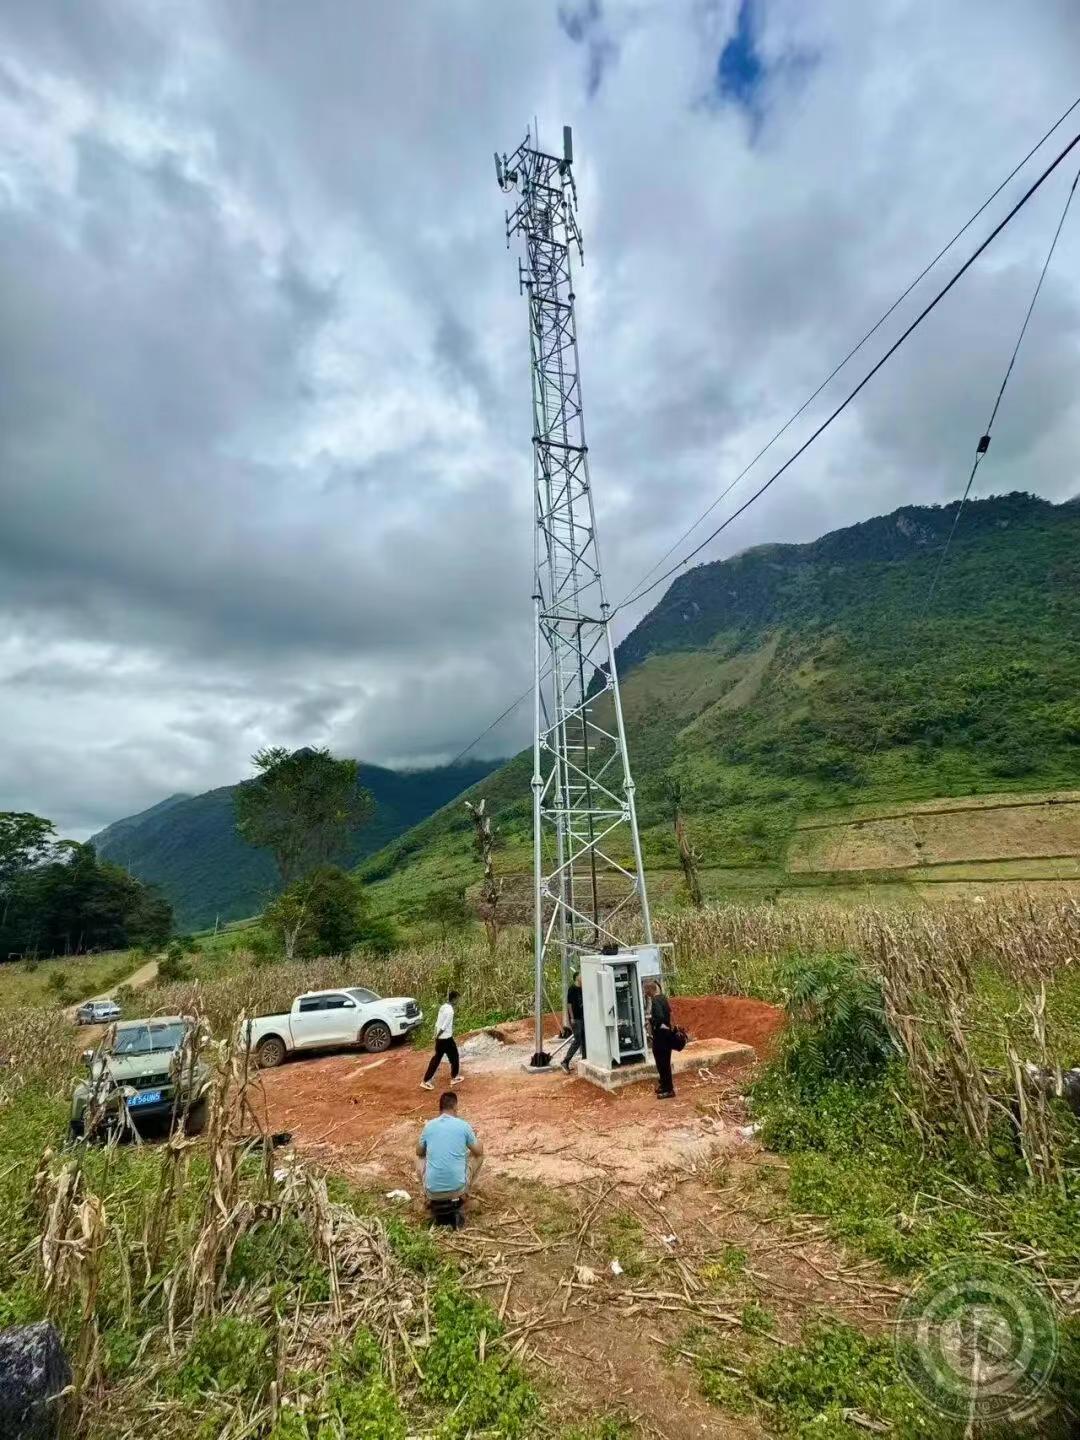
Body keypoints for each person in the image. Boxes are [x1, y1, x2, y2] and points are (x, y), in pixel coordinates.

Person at [416, 1091, 484, 1211]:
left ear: (440, 1108)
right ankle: (464, 1196)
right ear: (455, 1107)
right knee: (478, 1156)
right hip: (456, 1190)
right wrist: (478, 1141)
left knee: (419, 1158)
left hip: (433, 1192)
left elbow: (419, 1152)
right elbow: (478, 1152)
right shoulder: (463, 1125)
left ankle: (428, 1198)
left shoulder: (429, 1126)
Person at [421, 989, 461, 1089]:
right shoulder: (450, 1011)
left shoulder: (443, 1007)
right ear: (454, 999)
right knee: (454, 1056)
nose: (459, 1001)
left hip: (440, 1039)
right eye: (458, 999)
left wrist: (435, 1035)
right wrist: (437, 1035)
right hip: (446, 1038)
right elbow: (444, 1026)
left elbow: (437, 1023)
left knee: (436, 1058)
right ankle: (454, 1077)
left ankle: (426, 1080)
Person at [645, 978, 676, 1099]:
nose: (644, 993)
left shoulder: (656, 1000)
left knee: (662, 1063)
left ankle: (669, 1089)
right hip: (666, 1035)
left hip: (661, 1037)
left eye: (645, 990)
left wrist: (652, 1022)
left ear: (649, 990)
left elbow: (660, 1018)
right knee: (664, 1062)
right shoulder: (662, 997)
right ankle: (664, 1085)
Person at [561, 970, 586, 1072]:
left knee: (585, 1040)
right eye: (581, 975)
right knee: (578, 1040)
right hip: (576, 1019)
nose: (582, 977)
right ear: (576, 977)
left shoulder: (583, 989)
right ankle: (565, 1061)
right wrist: (571, 1018)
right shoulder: (572, 989)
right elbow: (569, 1004)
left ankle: (585, 1060)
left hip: (583, 1018)